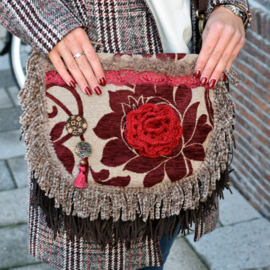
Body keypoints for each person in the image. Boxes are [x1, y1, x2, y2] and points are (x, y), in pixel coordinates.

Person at [0, 0, 252, 269]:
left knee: (160, 243)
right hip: (90, 83)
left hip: (188, 78)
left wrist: (229, 8)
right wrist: (49, 22)